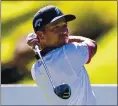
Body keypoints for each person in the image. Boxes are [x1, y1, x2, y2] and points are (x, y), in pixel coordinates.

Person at [26, 5, 97, 105]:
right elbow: (92, 45)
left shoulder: (36, 69)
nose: (64, 31)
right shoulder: (69, 52)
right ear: (41, 35)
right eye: (56, 27)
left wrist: (38, 42)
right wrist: (69, 38)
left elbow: (44, 52)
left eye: (64, 26)